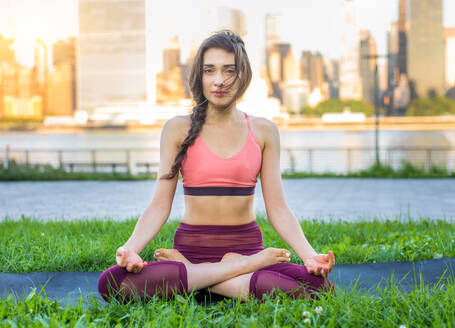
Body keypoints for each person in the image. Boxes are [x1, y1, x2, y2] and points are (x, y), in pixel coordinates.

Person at [97, 30, 335, 303]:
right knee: (112, 283)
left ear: (243, 75)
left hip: (246, 250)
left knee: (321, 289)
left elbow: (278, 208)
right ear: (200, 76)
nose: (219, 81)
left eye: (229, 71)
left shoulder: (264, 131)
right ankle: (230, 271)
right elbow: (159, 205)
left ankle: (199, 277)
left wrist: (308, 255)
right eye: (210, 71)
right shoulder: (177, 129)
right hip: (199, 250)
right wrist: (131, 248)